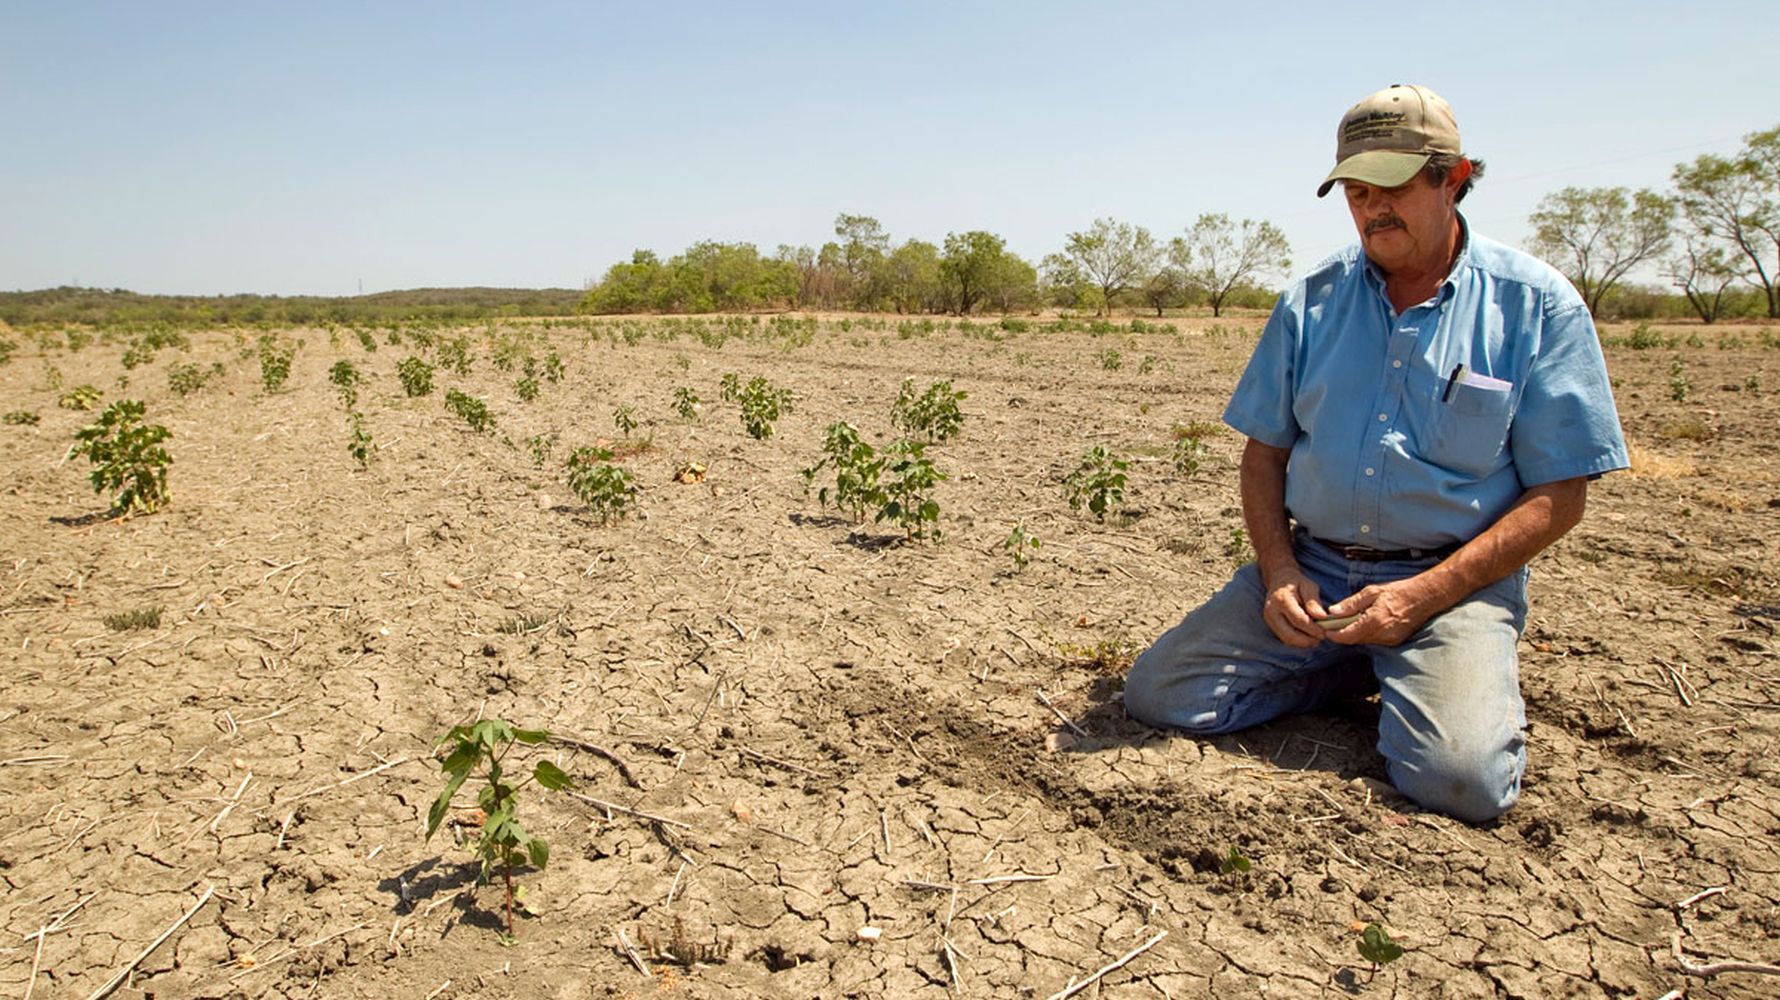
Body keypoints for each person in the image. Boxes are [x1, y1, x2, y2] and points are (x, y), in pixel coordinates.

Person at [1123, 84, 1628, 823]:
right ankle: (1346, 663)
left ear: (1452, 179)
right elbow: (1264, 455)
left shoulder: (1536, 305)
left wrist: (1419, 599)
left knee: (1461, 783)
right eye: (1356, 191)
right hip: (1318, 571)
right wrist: (1280, 571)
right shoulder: (1311, 301)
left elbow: (1561, 495)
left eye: (1392, 187)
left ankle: (1420, 671)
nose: (1372, 209)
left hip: (1448, 586)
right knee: (1160, 696)